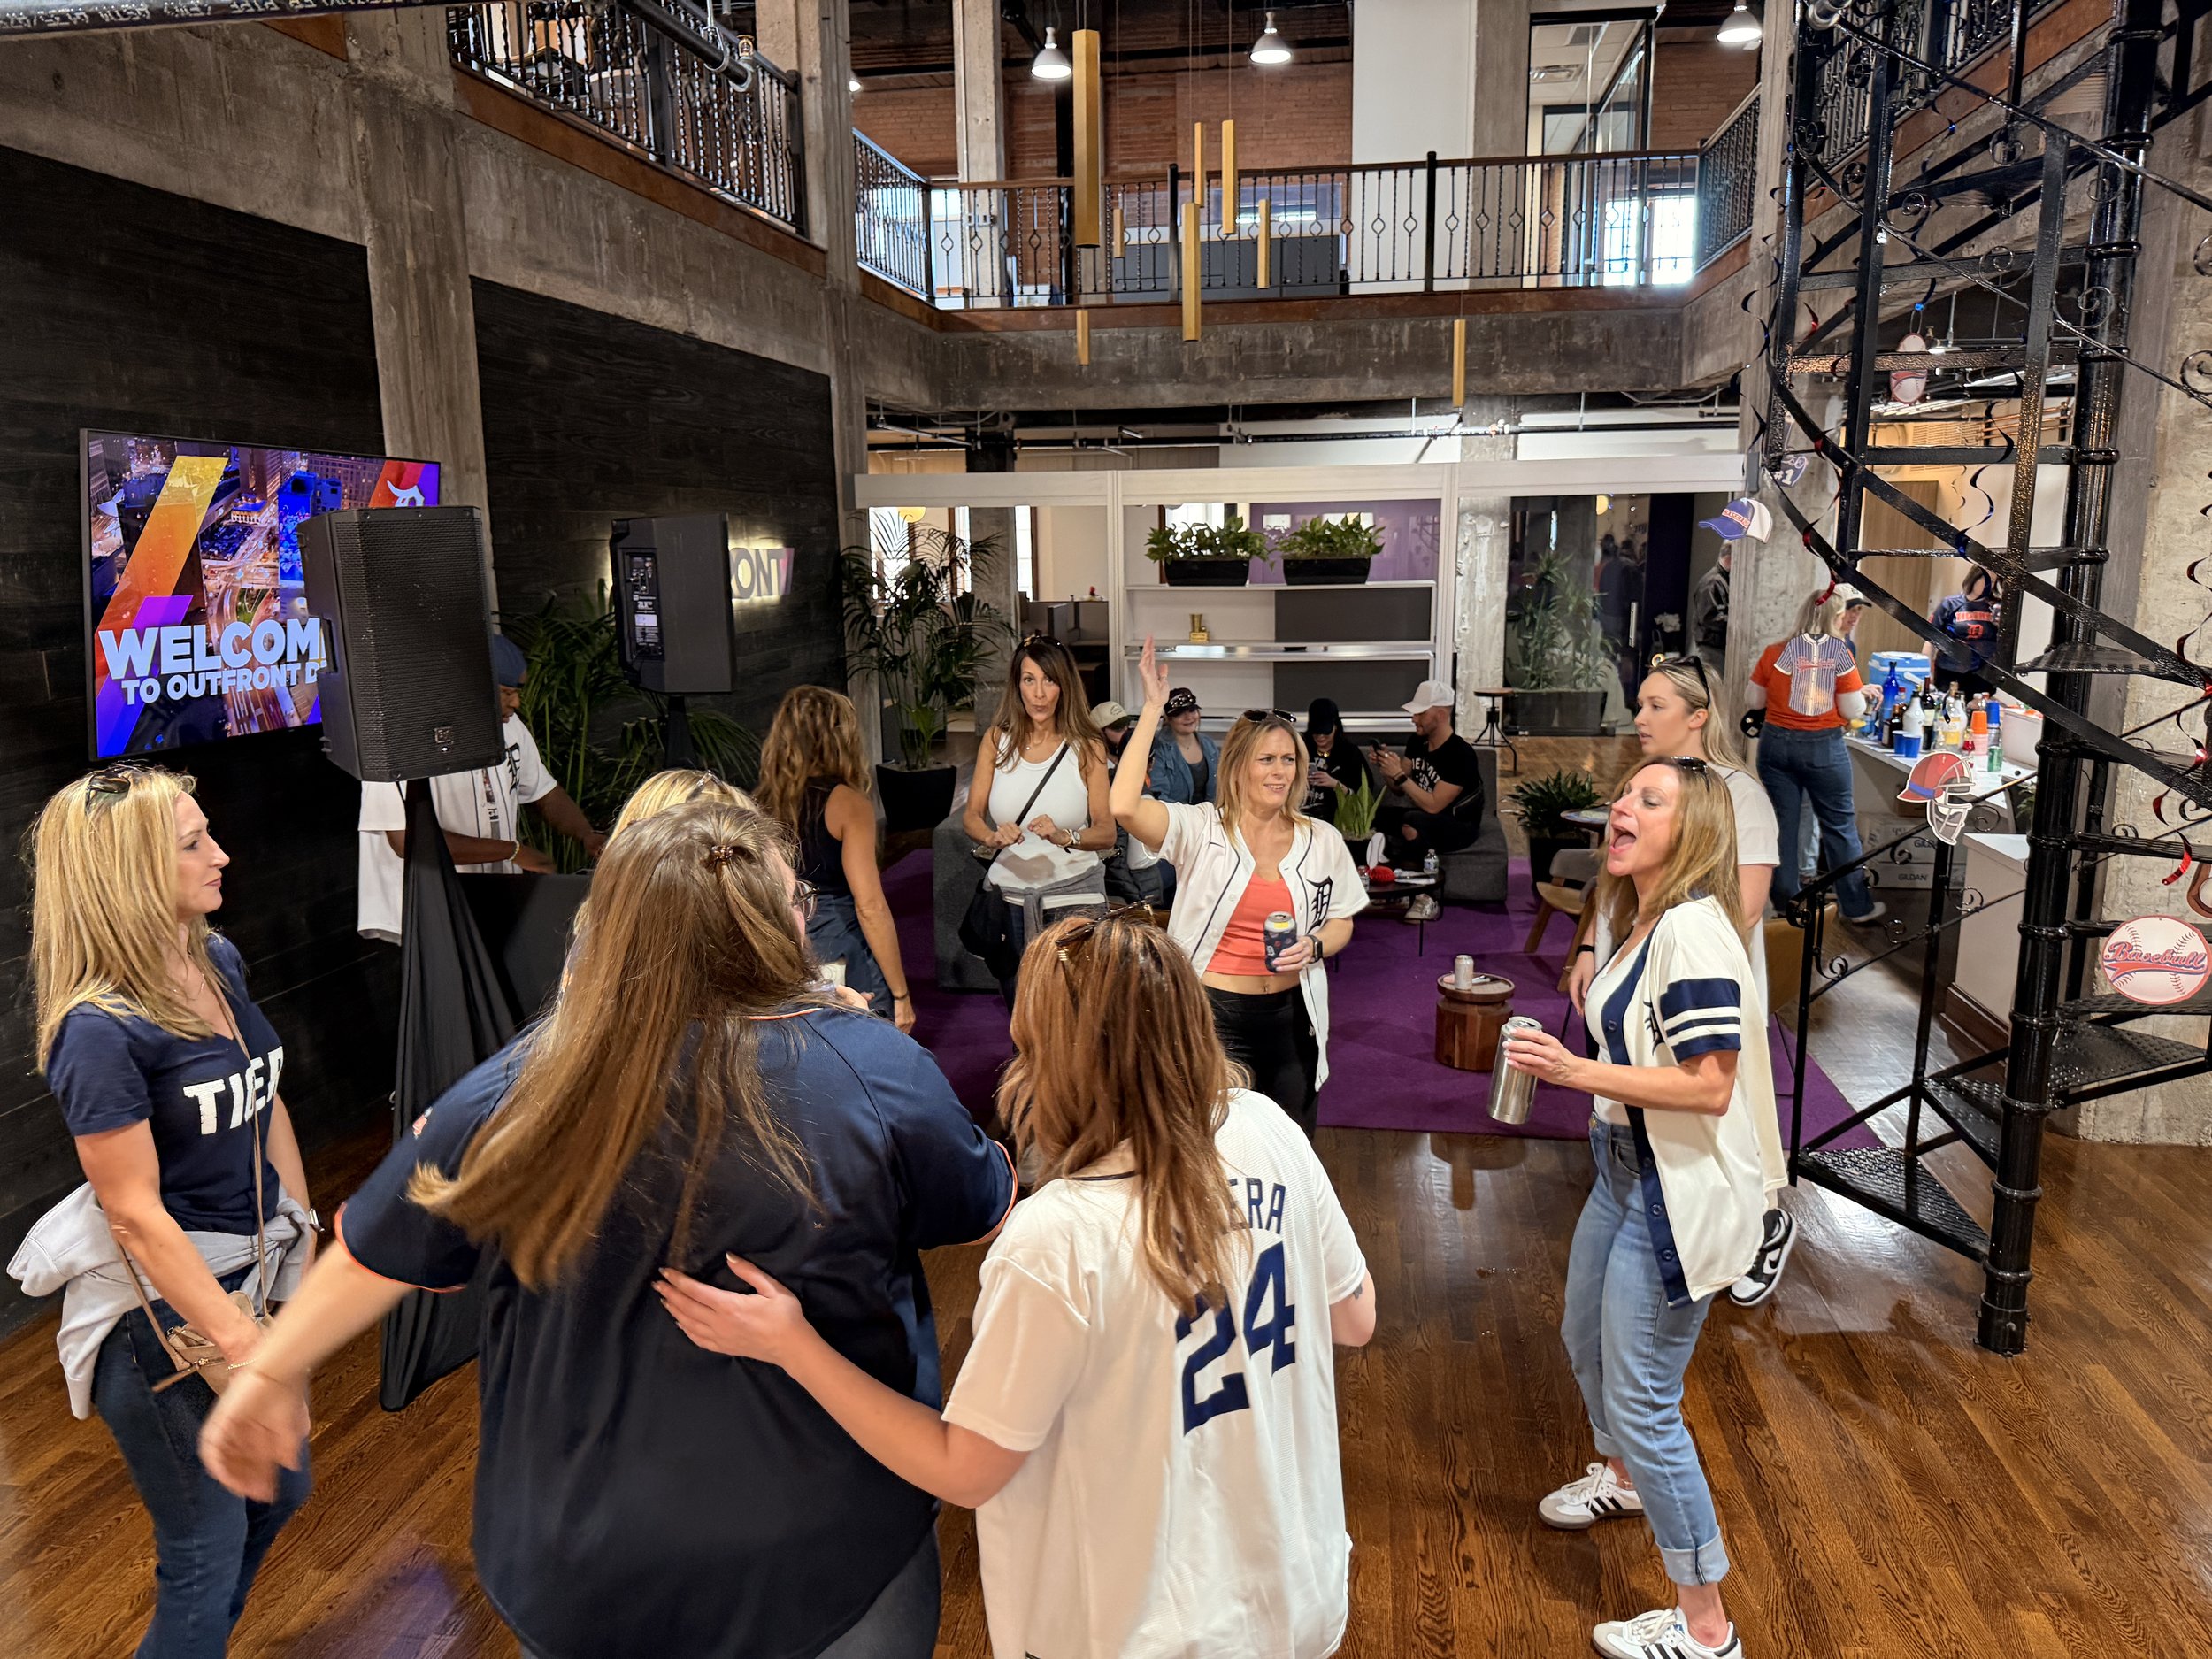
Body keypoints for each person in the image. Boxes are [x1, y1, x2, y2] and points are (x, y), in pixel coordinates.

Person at [198, 800, 1015, 1659]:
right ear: (778, 927)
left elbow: (377, 1251)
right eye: (794, 900)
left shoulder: (523, 1083)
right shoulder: (874, 1069)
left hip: (580, 1566)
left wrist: (269, 1373)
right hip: (826, 1560)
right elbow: (977, 1206)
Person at [657, 910, 1377, 1659]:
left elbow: (963, 1470)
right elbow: (1355, 1317)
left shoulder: (1057, 1236)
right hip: (1294, 1595)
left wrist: (793, 1344)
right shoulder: (1267, 1126)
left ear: (1052, 1060)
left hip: (1144, 1631)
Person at [12, 764, 317, 1656]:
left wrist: (298, 1240)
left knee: (283, 1487)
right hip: (160, 1322)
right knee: (202, 1553)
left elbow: (264, 1098)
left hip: (246, 1278)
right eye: (192, 844)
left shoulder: (215, 958)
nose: (221, 855)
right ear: (127, 872)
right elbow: (136, 1215)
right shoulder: (97, 1030)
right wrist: (243, 1344)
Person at [1504, 757, 1785, 1659]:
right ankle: (1622, 1477)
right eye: (1624, 792)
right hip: (1622, 1171)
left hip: (1671, 1190)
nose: (1621, 805)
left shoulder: (1693, 931)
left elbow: (1709, 1086)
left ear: (1690, 829)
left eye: (1647, 799)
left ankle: (1707, 1628)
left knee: (1646, 1399)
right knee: (1583, 1339)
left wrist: (1573, 1070)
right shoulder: (1642, 917)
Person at [1567, 657, 1795, 1307]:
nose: (1639, 717)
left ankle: (1758, 1223)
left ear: (1699, 715)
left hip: (1689, 986)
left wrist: (1657, 956)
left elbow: (1739, 908)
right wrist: (1594, 946)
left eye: (1655, 705)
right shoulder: (1649, 781)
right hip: (1634, 967)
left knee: (1713, 1128)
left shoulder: (1736, 795)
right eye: (1640, 703)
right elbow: (1615, 880)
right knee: (1651, 1129)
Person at [1111, 637, 1367, 1138]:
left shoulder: (1322, 839)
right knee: (1212, 1152)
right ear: (1238, 766)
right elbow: (1123, 805)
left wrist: (1316, 945)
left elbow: (1341, 919)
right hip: (1214, 1018)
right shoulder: (1201, 828)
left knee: (1290, 1149)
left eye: (1288, 759)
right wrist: (1152, 710)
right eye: (1266, 759)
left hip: (1293, 1018)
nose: (1280, 772)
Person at [356, 633, 605, 943]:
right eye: (506, 693)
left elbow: (544, 792)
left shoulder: (510, 727)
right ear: (472, 687)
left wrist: (585, 833)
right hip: (427, 910)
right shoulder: (401, 738)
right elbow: (406, 841)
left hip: (490, 900)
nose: (516, 703)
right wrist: (513, 851)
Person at [962, 636, 1115, 1003]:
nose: (1039, 694)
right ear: (1017, 685)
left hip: (1074, 898)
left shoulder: (1087, 745)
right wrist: (991, 837)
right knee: (1020, 1013)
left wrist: (1066, 837)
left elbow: (1106, 832)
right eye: (1029, 680)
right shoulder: (996, 741)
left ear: (1065, 685)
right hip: (1009, 901)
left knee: (1076, 1013)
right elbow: (971, 816)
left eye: (1049, 680)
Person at [757, 686, 915, 1032]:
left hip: (783, 946)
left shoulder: (762, 801)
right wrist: (901, 994)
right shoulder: (847, 804)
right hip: (840, 947)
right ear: (840, 739)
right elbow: (870, 906)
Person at [1747, 586, 1886, 926]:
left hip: (1775, 745)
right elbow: (1851, 708)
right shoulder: (1839, 656)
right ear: (1834, 618)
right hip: (1823, 746)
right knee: (1839, 826)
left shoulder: (1775, 652)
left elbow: (1754, 700)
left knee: (1783, 826)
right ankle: (1856, 907)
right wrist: (1862, 698)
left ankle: (1786, 904)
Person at [1371, 679, 1486, 913]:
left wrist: (1400, 776)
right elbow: (1398, 788)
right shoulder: (1417, 742)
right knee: (1376, 818)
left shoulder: (1460, 754)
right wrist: (1387, 769)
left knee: (1413, 821)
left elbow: (1434, 806)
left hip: (1459, 824)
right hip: (1423, 814)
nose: (1414, 719)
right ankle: (1393, 888)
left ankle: (1426, 897)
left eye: (1420, 713)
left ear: (1441, 715)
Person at [1094, 698, 1164, 908]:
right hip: (1134, 879)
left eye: (1126, 725)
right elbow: (1135, 857)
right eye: (1117, 728)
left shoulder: (1121, 779)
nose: (1125, 732)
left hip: (1125, 877)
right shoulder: (1099, 775)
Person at [1301, 696, 1374, 827]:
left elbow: (1365, 795)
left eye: (1325, 732)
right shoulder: (1301, 747)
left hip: (1337, 818)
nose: (1320, 737)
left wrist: (1336, 785)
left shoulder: (1349, 753)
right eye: (1316, 732)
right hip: (1303, 814)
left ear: (1335, 727)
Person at [1930, 565, 2001, 696]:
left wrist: (2001, 624)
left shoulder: (1996, 607)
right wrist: (1926, 671)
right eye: (1985, 579)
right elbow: (1930, 639)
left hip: (1983, 674)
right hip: (1949, 671)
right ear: (1974, 577)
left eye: (1992, 582)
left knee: (1979, 709)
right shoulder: (1950, 603)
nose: (1988, 585)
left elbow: (2007, 643)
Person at [1148, 686, 1220, 805]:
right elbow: (1159, 795)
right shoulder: (1159, 748)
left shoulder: (1209, 744)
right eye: (1180, 713)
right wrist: (1189, 814)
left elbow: (1221, 787)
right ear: (1169, 718)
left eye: (1192, 710)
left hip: (1210, 814)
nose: (1188, 717)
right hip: (1174, 815)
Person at [1689, 547, 1732, 679]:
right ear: (1729, 559)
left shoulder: (1718, 580)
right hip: (1711, 648)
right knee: (1714, 684)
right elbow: (1709, 618)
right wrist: (1733, 622)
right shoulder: (1713, 582)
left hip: (1714, 647)